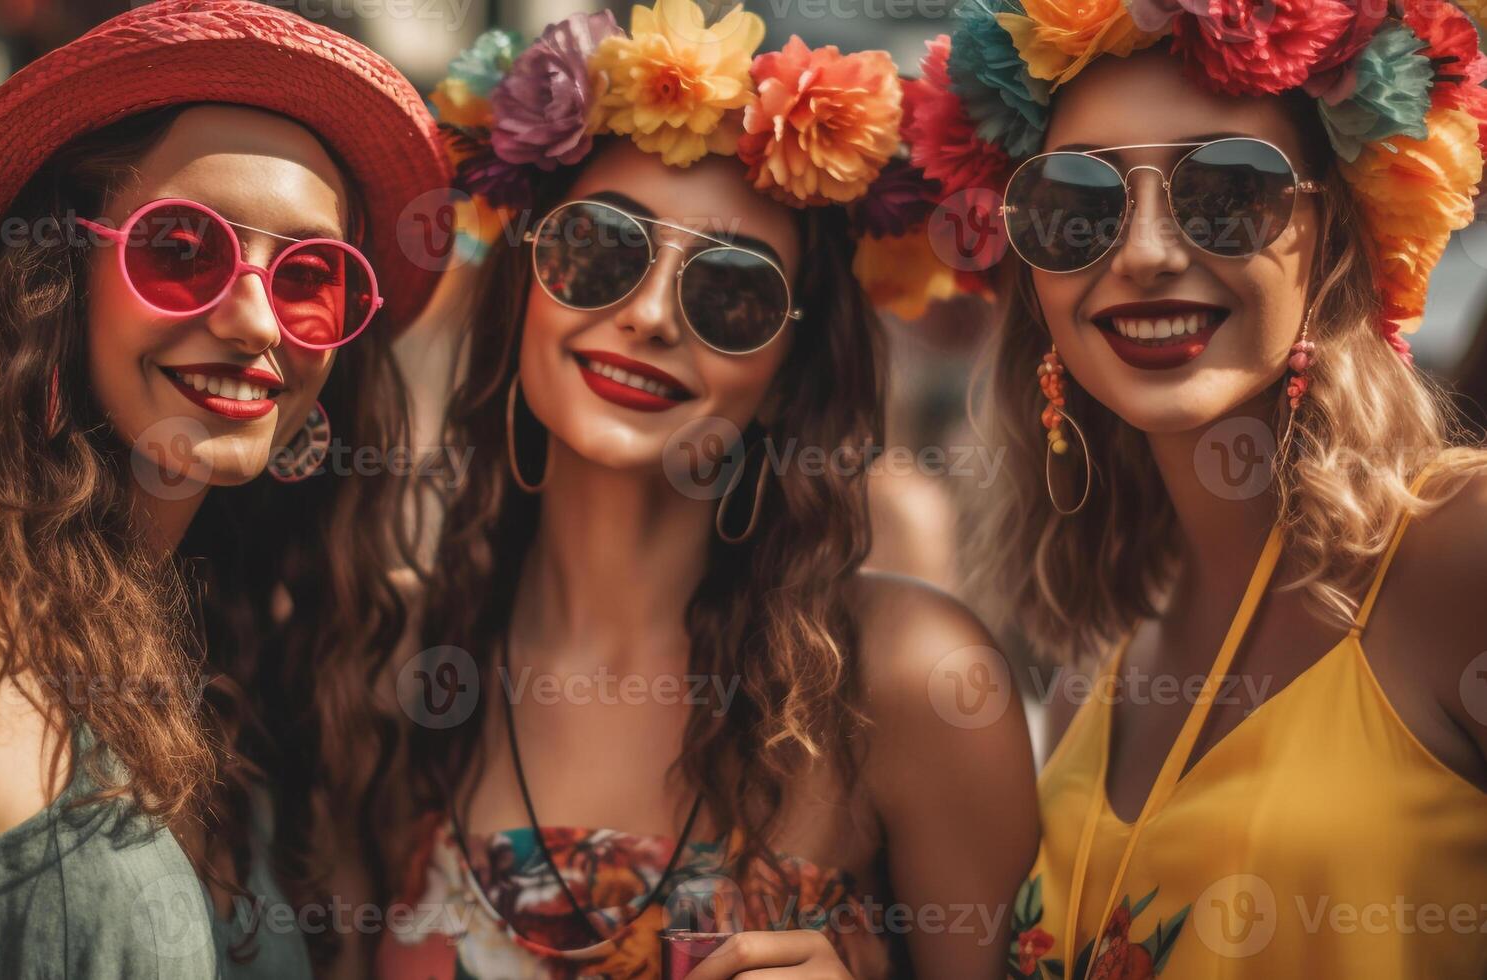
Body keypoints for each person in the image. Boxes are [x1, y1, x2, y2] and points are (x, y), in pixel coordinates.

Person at [358, 4, 1040, 977]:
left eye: (731, 293)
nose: (644, 315)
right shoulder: (402, 668)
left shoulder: (907, 680)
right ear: (521, 292)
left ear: (786, 376)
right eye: (597, 249)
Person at [0, 3, 451, 977]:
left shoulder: (255, 659)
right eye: (181, 248)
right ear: (60, 274)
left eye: (310, 275)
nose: (257, 318)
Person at [898, 1, 1487, 975]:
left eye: (1225, 190)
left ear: (1335, 237)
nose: (1141, 253)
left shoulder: (1453, 551)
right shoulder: (1107, 653)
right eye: (1077, 206)